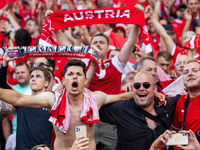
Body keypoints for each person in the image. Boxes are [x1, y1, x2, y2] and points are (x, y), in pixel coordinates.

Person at [0, 59, 137, 150]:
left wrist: (148, 91)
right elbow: (19, 99)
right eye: (70, 74)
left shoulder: (96, 98)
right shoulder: (53, 99)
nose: (75, 77)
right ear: (64, 81)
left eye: (79, 74)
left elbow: (122, 96)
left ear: (85, 80)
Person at [99, 71, 180, 149]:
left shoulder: (166, 104)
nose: (141, 88)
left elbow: (190, 94)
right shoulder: (122, 108)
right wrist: (122, 96)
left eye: (146, 85)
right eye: (137, 86)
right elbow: (93, 100)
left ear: (155, 88)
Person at [0, 51, 53, 150]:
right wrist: (5, 63)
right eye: (32, 76)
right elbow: (2, 85)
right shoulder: (21, 102)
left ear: (46, 83)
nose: (33, 79)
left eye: (38, 76)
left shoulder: (52, 104)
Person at [172, 59, 200, 135]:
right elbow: (174, 131)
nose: (190, 74)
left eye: (195, 70)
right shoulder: (180, 101)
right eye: (186, 72)